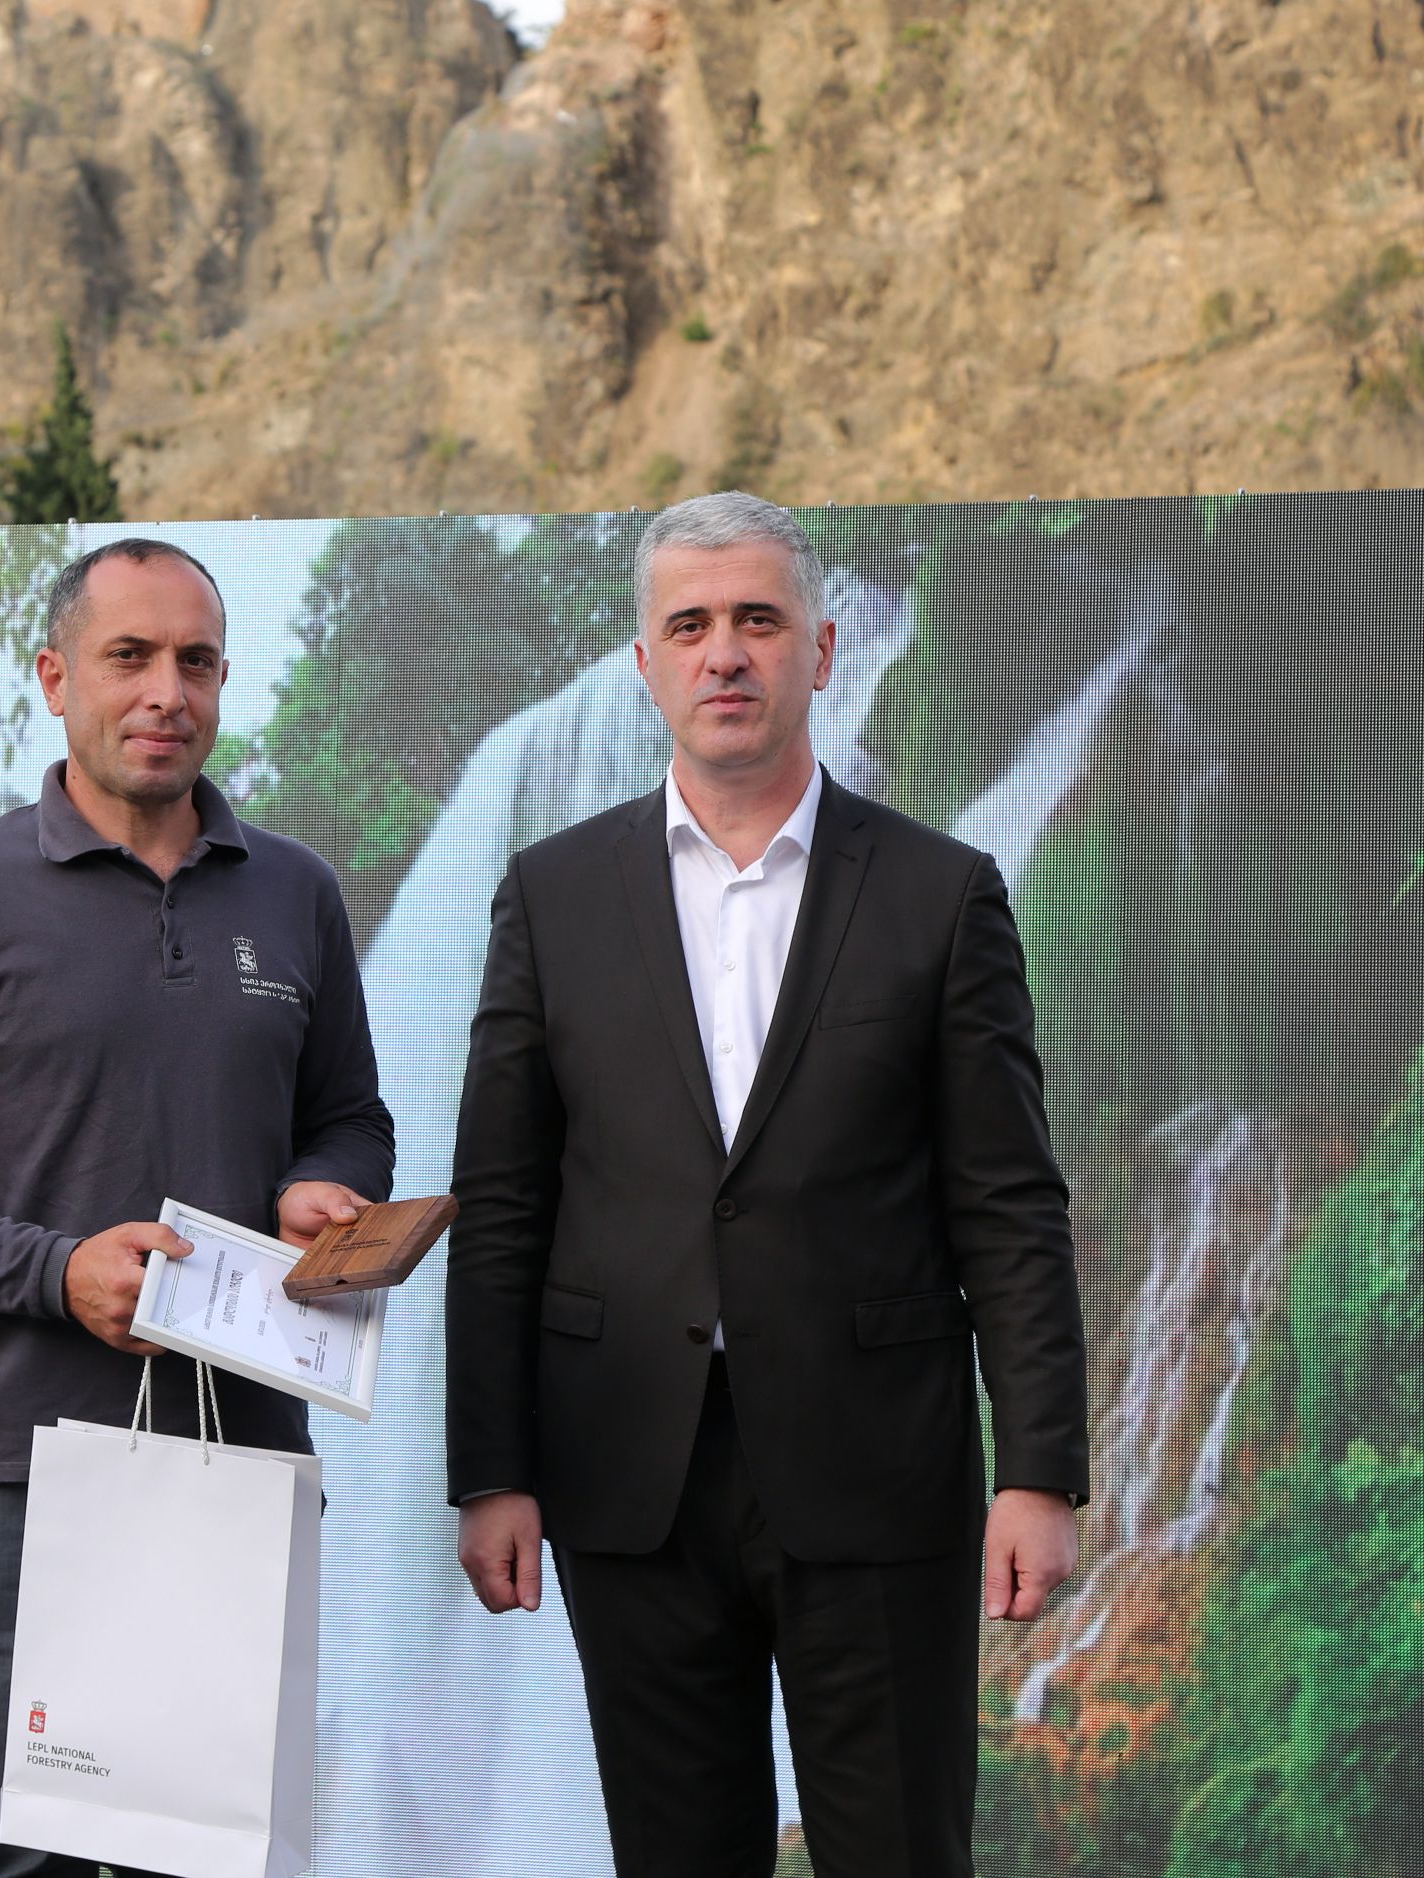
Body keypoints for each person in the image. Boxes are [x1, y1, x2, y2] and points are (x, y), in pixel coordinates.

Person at [445, 490, 1090, 1877]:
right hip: (630, 1475)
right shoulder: (551, 896)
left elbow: (1008, 1204)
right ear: (646, 664)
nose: (725, 652)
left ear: (822, 648)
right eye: (690, 625)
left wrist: (1042, 1468)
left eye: (758, 619)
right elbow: (502, 1205)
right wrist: (490, 1469)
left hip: (883, 1468)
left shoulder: (942, 892)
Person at [0, 537, 396, 1878]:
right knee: (4, 1855)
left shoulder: (296, 893)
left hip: (241, 1469)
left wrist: (324, 1185)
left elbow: (351, 1115)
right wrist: (55, 1270)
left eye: (196, 661)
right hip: (14, 1475)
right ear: (55, 676)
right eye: (128, 656)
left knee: (214, 1859)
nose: (165, 692)